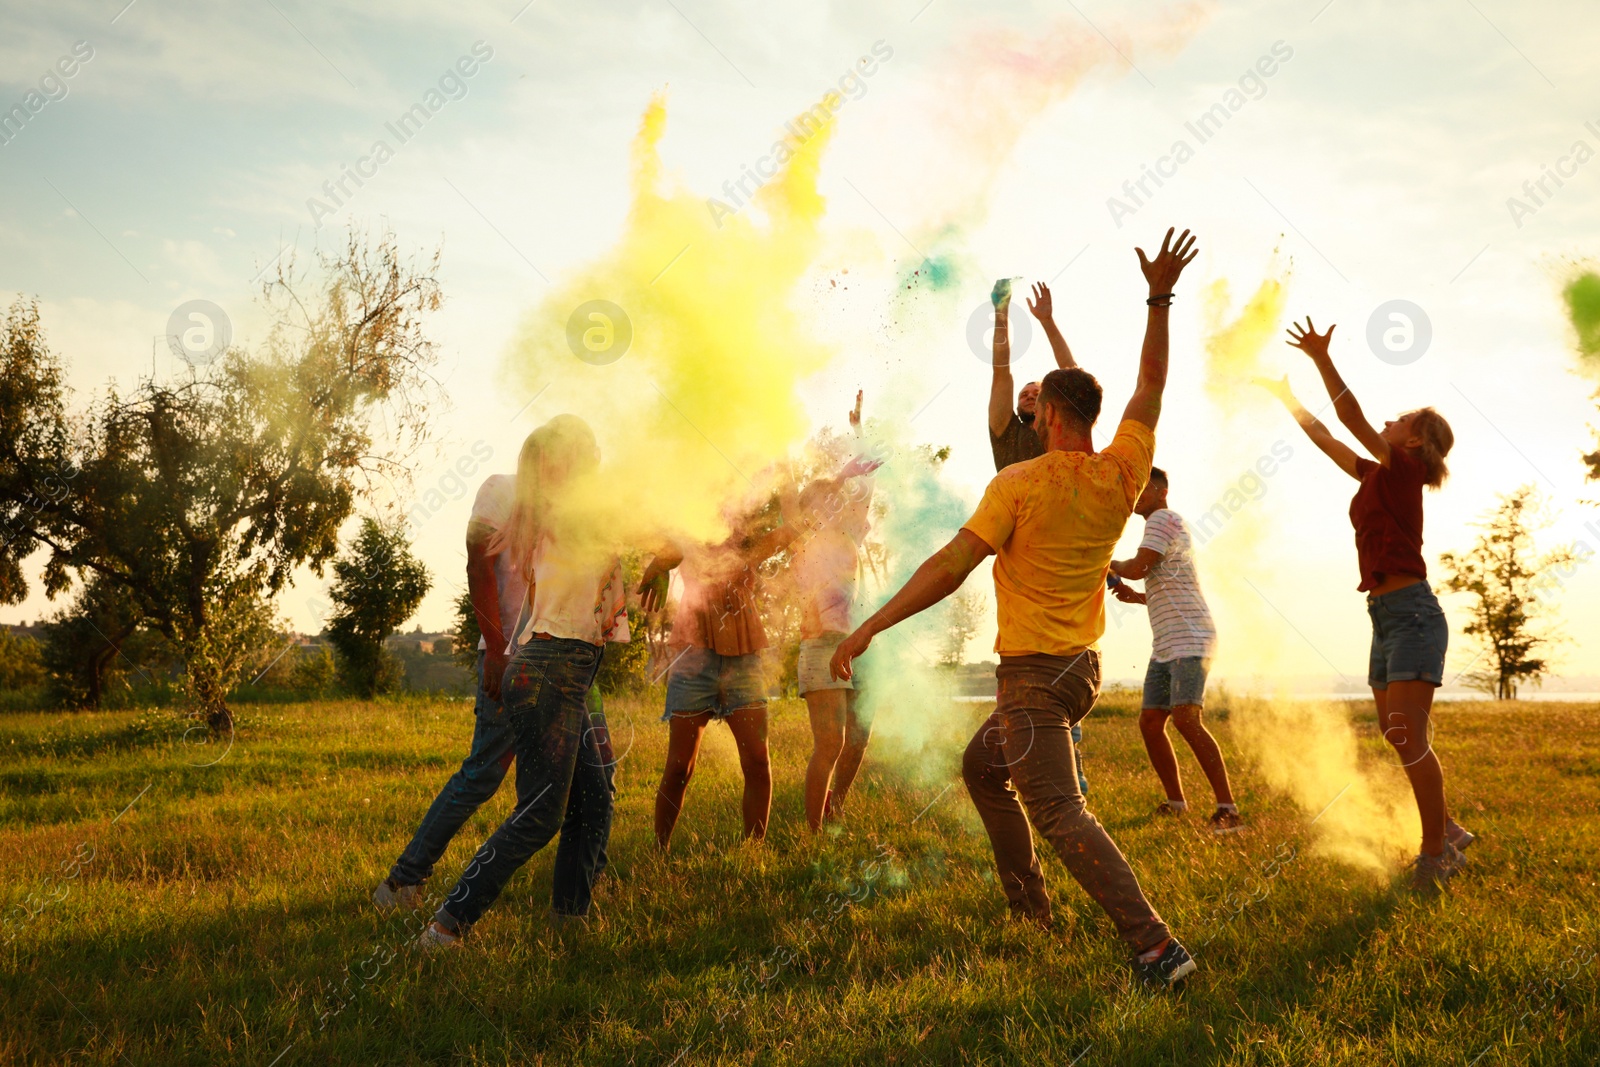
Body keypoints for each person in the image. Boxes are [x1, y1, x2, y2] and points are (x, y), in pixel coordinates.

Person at [833, 228, 1202, 987]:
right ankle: (1030, 906)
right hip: (1081, 671)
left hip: (1035, 677)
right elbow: (1152, 383)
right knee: (982, 768)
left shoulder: (1017, 486)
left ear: (1047, 418)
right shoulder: (1123, 469)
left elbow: (949, 565)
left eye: (1036, 408)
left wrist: (871, 623)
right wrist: (1159, 298)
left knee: (1061, 813)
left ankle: (1157, 948)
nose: (1028, 415)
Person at [1257, 318, 1473, 893]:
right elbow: (1330, 437)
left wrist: (1321, 358)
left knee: (1408, 732)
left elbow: (1351, 418)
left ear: (1415, 443)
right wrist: (1288, 398)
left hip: (1413, 613)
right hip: (1385, 615)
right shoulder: (1380, 473)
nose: (1385, 421)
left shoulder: (1402, 470)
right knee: (1394, 730)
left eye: (1396, 420)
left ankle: (1436, 854)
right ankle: (1448, 829)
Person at [420, 415, 629, 948]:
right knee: (540, 816)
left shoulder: (553, 511)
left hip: (559, 666)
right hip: (552, 670)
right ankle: (446, 927)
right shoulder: (570, 511)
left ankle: (569, 923)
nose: (595, 455)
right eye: (583, 448)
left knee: (595, 798)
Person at [374, 457, 529, 911]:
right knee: (484, 772)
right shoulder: (502, 489)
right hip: (509, 655)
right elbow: (477, 568)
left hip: (562, 658)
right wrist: (498, 653)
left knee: (585, 778)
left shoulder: (576, 506)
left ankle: (575, 892)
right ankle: (404, 880)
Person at [641, 489, 798, 850]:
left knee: (757, 761)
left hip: (743, 655)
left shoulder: (753, 539)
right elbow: (666, 541)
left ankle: (754, 851)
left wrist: (792, 472)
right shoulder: (689, 528)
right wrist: (660, 563)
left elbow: (793, 528)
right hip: (694, 654)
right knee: (679, 768)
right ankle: (658, 851)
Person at [989, 280, 1091, 795]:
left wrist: (1049, 322)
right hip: (1022, 555)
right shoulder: (1006, 434)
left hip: (1064, 546)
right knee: (1029, 657)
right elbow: (1002, 371)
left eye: (1038, 391)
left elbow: (1074, 383)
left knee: (1064, 648)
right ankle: (1037, 765)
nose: (1029, 392)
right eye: (1025, 392)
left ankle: (1069, 771)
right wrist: (1003, 318)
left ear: (1051, 407)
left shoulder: (1067, 435)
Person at [1109, 467, 1241, 832]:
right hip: (1167, 643)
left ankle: (1228, 808)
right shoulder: (1161, 524)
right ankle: (1176, 802)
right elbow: (1160, 579)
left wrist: (1105, 562)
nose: (1135, 493)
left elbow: (1138, 567)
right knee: (1152, 722)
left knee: (1185, 718)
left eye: (1141, 487)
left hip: (1190, 637)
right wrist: (1139, 597)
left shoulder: (1163, 519)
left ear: (1161, 491)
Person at [792, 392, 882, 830]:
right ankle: (813, 834)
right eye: (819, 502)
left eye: (833, 500)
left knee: (858, 738)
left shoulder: (849, 534)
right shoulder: (804, 545)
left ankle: (834, 810)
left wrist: (858, 434)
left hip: (855, 648)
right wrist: (835, 478)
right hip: (821, 649)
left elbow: (865, 488)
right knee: (830, 743)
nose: (830, 505)